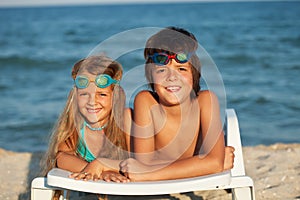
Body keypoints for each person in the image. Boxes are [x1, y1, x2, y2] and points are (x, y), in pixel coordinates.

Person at [120, 27, 235, 181]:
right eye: (161, 71)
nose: (172, 77)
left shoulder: (206, 101)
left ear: (194, 75)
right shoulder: (145, 100)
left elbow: (214, 162)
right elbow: (142, 165)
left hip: (157, 173)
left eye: (181, 69)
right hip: (147, 171)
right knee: (126, 115)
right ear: (151, 78)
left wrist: (148, 172)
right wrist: (205, 164)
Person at [42, 55, 131, 186]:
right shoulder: (77, 124)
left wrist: (101, 165)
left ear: (115, 97)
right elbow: (61, 158)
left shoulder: (125, 120)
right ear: (75, 96)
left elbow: (141, 163)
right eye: (84, 94)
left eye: (101, 94)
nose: (92, 102)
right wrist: (99, 171)